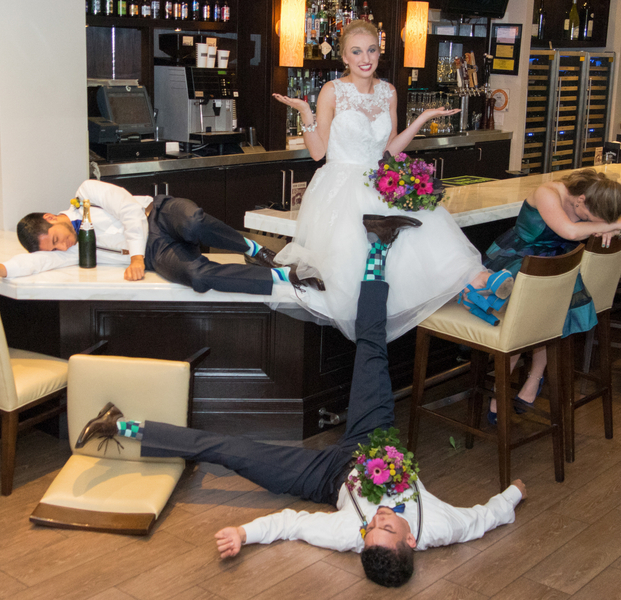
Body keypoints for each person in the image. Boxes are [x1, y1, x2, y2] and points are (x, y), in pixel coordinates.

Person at [75, 215, 526, 588]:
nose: (379, 519)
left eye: (372, 529)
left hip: (326, 478)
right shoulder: (444, 527)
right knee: (372, 347)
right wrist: (515, 493)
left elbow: (291, 523)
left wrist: (243, 533)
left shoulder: (348, 533)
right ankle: (379, 245)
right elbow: (484, 517)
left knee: (229, 450)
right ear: (412, 541)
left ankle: (121, 425)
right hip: (375, 440)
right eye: (386, 527)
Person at [271, 20, 511, 342]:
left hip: (379, 180)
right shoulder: (333, 90)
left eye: (371, 50)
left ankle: (477, 282)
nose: (365, 58)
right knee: (359, 259)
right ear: (345, 57)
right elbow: (318, 152)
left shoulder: (388, 91)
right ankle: (464, 294)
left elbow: (389, 150)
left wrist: (422, 119)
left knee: (426, 229)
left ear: (378, 53)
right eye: (356, 51)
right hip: (341, 186)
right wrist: (305, 113)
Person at [484, 169, 621, 423]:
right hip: (519, 262)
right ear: (581, 200)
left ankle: (534, 378)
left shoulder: (597, 199)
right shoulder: (547, 192)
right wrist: (614, 225)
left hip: (560, 268)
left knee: (550, 320)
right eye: (591, 218)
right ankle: (500, 389)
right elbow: (569, 232)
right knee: (520, 323)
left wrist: (617, 226)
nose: (594, 222)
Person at [0, 179, 324, 294]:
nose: (62, 246)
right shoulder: (71, 250)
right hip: (158, 252)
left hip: (157, 213)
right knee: (197, 277)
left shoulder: (86, 192)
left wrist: (136, 258)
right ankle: (281, 277)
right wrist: (1, 269)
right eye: (55, 248)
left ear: (52, 218)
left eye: (56, 239)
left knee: (193, 223)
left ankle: (252, 247)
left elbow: (128, 209)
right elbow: (37, 263)